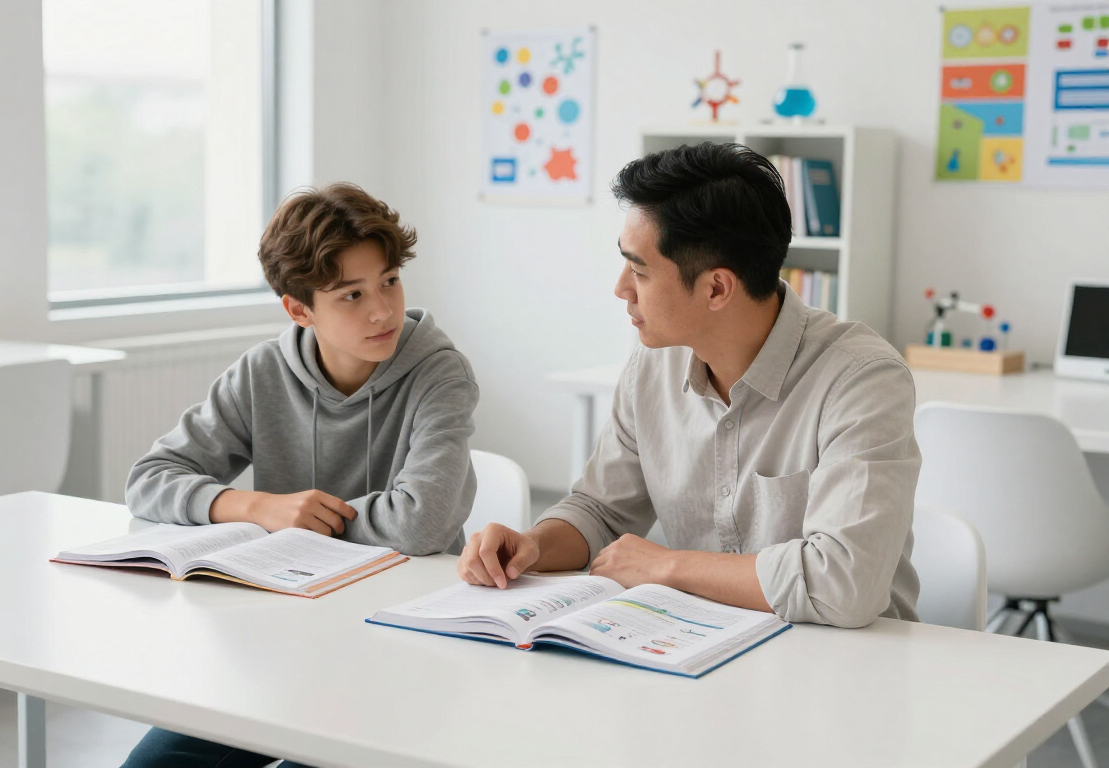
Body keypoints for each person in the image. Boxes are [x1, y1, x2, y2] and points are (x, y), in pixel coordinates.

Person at [459, 142, 920, 629]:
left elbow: (843, 585)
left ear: (717, 288)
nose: (621, 288)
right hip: (694, 644)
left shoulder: (861, 379)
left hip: (845, 665)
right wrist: (535, 544)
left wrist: (666, 566)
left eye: (638, 270)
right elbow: (602, 510)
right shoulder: (653, 365)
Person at [122, 182, 479, 768]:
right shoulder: (263, 371)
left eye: (389, 280)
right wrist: (258, 507)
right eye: (351, 295)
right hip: (280, 640)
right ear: (299, 309)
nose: (382, 310)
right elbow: (151, 476)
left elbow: (422, 523)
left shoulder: (439, 373)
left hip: (395, 645)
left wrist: (307, 522)